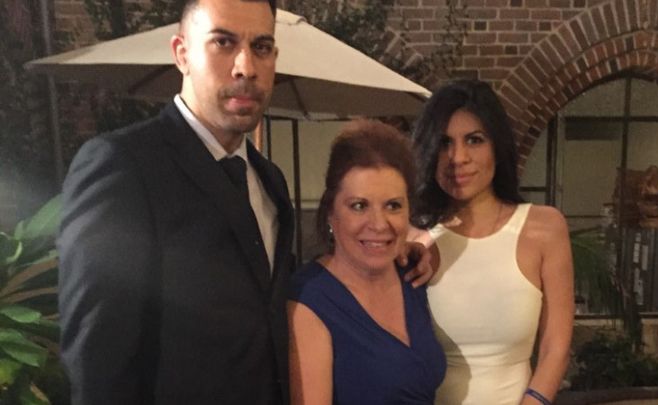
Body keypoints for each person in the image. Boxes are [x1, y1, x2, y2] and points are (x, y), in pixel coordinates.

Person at [57, 1, 431, 404]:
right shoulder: (124, 166)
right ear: (182, 53)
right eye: (223, 42)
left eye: (261, 47)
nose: (246, 67)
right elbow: (98, 362)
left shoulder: (269, 180)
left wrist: (405, 250)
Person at [410, 80, 574, 405]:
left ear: (497, 147)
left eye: (474, 140)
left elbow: (555, 347)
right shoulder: (414, 242)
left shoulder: (545, 228)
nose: (458, 157)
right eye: (444, 143)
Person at [287, 120, 446, 405]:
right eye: (359, 206)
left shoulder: (409, 272)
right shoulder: (309, 299)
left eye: (393, 206)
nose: (379, 224)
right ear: (331, 213)